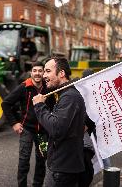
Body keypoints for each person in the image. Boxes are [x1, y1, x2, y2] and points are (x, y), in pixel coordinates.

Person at [32, 57, 86, 187]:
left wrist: (39, 106)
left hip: (62, 169)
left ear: (61, 73)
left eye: (48, 71)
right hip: (63, 164)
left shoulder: (69, 96)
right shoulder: (65, 95)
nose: (44, 75)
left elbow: (56, 128)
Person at [1, 61, 53, 187]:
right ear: (31, 72)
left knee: (41, 161)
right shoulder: (24, 87)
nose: (37, 73)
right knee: (24, 161)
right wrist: (14, 123)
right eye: (35, 71)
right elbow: (5, 104)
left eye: (40, 71)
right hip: (27, 130)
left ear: (44, 73)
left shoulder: (49, 87)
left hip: (43, 131)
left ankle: (37, 185)